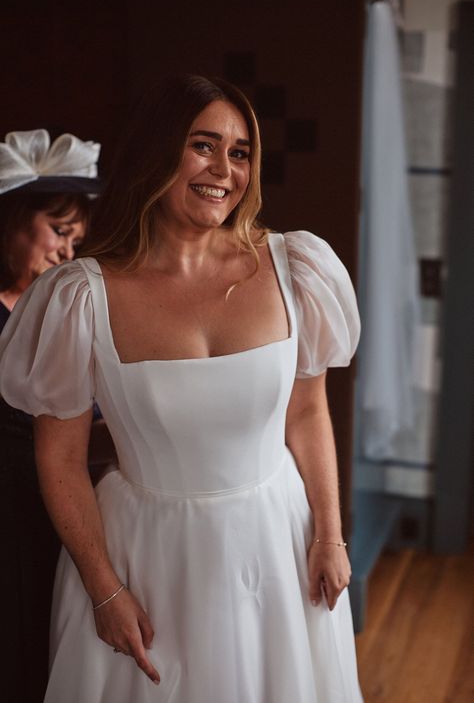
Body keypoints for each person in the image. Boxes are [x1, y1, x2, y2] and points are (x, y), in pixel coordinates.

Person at [0, 77, 363, 702]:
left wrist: (329, 534)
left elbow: (306, 412)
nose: (224, 169)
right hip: (144, 557)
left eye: (240, 151)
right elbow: (59, 454)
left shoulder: (294, 268)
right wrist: (103, 588)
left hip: (277, 544)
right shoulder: (81, 296)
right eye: (203, 145)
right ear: (157, 152)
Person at [0, 129, 109, 702]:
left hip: (61, 505)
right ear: (11, 220)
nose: (69, 251)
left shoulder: (60, 310)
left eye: (77, 238)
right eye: (59, 232)